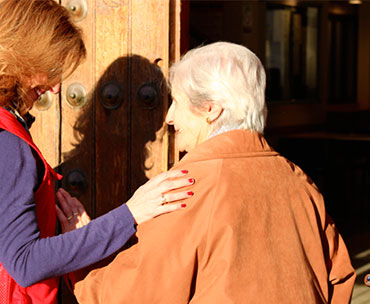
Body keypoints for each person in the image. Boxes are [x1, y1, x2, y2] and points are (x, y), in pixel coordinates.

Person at [0, 1, 194, 303]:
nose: (57, 87)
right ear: (21, 57)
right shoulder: (2, 142)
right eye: (51, 68)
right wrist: (130, 214)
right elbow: (25, 262)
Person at [70, 42, 356, 303]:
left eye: (177, 103)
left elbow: (129, 295)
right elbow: (340, 277)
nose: (168, 118)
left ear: (211, 110)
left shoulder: (186, 187)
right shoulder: (298, 182)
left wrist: (80, 254)